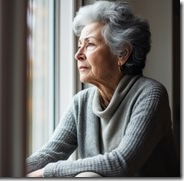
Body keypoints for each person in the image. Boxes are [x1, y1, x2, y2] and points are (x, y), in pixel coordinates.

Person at [26, 0, 180, 177]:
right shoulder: (81, 102)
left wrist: (46, 172)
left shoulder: (150, 94)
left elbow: (121, 163)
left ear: (122, 53)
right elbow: (50, 154)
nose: (78, 55)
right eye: (79, 46)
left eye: (89, 44)